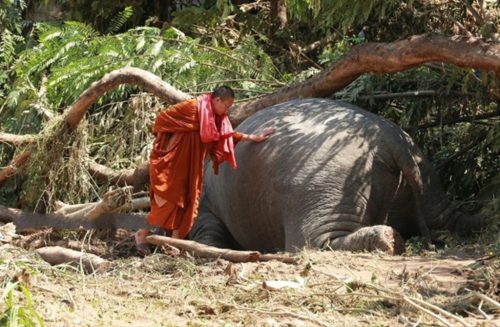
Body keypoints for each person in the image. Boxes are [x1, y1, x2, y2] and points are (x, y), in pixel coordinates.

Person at [135, 86, 274, 255]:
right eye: (227, 106)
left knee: (186, 205)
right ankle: (141, 235)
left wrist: (251, 137)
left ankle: (176, 245)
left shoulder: (217, 118)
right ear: (217, 100)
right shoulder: (192, 107)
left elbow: (226, 134)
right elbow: (161, 122)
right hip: (171, 166)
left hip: (191, 168)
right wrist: (170, 145)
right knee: (165, 203)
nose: (227, 110)